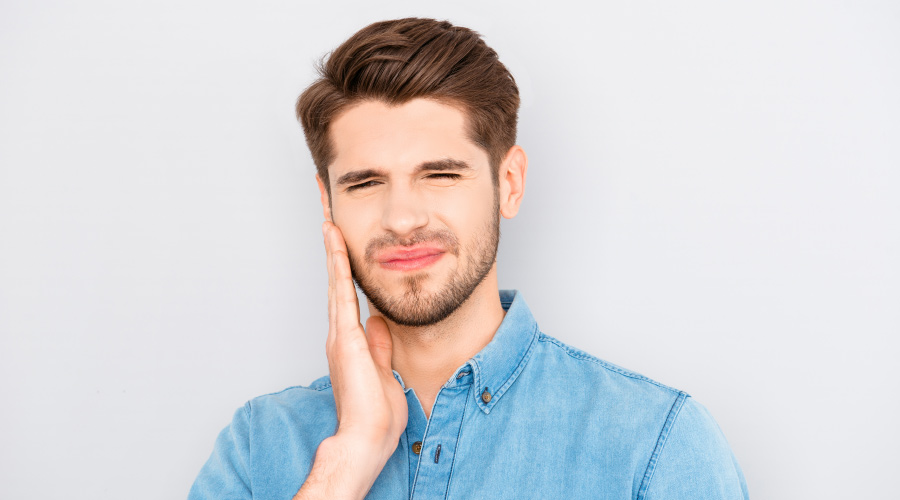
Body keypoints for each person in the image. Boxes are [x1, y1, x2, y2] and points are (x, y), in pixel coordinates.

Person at [189, 17, 749, 500]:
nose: (403, 219)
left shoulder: (654, 441)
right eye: (364, 184)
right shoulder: (259, 445)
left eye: (440, 175)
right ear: (327, 201)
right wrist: (345, 463)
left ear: (508, 183)